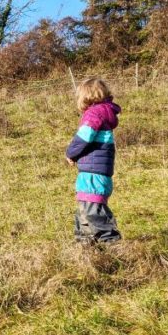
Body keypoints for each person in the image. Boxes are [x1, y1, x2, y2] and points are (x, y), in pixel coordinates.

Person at [65, 78, 122, 243]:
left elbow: (84, 137)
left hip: (93, 173)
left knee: (93, 212)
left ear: (85, 96)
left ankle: (114, 246)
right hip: (93, 171)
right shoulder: (101, 113)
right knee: (84, 212)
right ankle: (87, 252)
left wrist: (71, 154)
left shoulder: (95, 114)